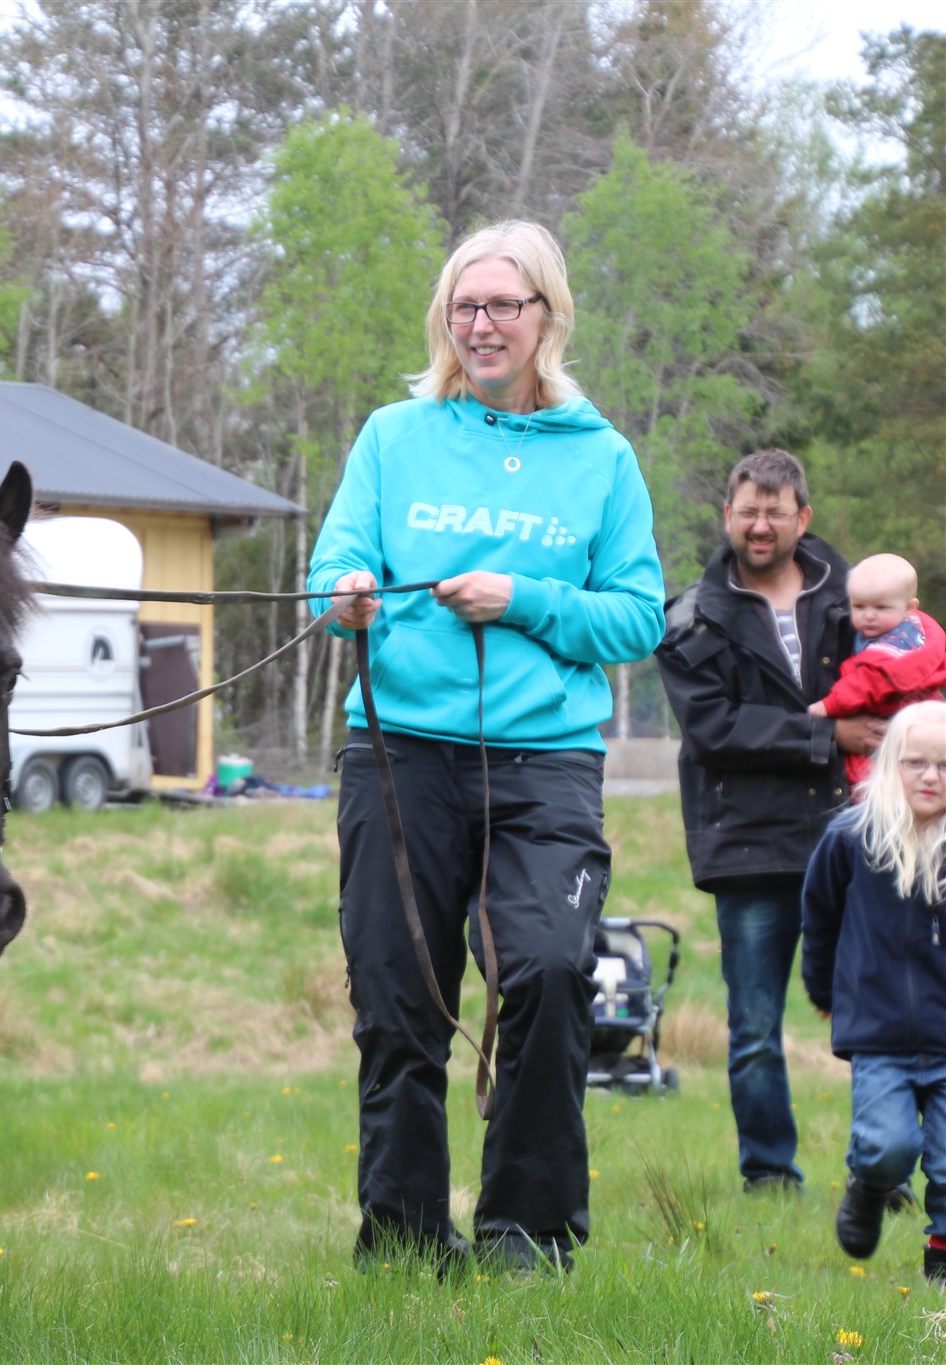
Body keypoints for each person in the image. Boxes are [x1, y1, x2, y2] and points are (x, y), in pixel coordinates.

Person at [310, 220, 665, 1273]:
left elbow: (637, 619)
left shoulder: (601, 458)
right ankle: (408, 1241)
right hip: (396, 753)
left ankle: (527, 1232)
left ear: (545, 317)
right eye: (463, 307)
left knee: (551, 971)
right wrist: (348, 598)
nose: (480, 325)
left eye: (503, 305)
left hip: (544, 761)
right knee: (395, 995)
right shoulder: (392, 435)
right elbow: (333, 571)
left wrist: (525, 600)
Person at [656, 450, 880, 1195]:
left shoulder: (859, 599)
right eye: (747, 510)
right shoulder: (692, 614)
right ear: (727, 515)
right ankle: (770, 1173)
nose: (759, 525)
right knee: (754, 1029)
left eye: (774, 512)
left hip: (857, 837)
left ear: (801, 518)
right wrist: (826, 737)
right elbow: (714, 728)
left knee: (884, 1012)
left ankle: (884, 1166)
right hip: (748, 844)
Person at [801, 701, 946, 1282]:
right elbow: (820, 918)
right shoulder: (851, 838)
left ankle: (940, 1256)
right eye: (916, 764)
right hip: (879, 1036)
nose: (931, 776)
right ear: (891, 765)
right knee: (887, 1144)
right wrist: (822, 989)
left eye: (943, 765)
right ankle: (868, 1185)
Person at [808, 553, 946, 795]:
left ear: (909, 608)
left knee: (875, 782)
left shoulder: (898, 642)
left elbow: (871, 683)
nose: (869, 615)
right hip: (897, 722)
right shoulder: (887, 629)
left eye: (881, 607)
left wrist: (829, 706)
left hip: (897, 716)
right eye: (859, 606)